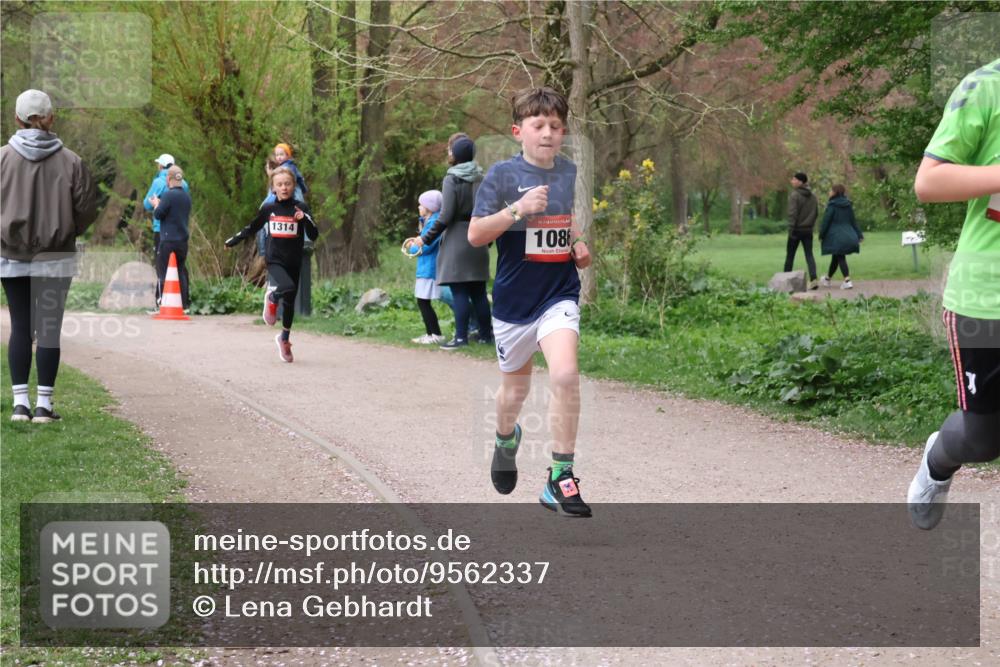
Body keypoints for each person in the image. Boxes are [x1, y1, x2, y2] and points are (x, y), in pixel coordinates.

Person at [468, 86, 593, 517]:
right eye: (538, 125)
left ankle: (560, 477)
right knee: (514, 392)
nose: (548, 133)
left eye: (556, 126)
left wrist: (576, 243)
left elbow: (565, 220)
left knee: (566, 374)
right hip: (513, 304)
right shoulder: (501, 176)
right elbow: (475, 235)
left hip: (558, 294)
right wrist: (517, 209)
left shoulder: (568, 171)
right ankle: (506, 438)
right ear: (517, 131)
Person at [907, 58, 1000, 530]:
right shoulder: (987, 87)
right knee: (983, 440)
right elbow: (929, 181)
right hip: (987, 298)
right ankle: (938, 461)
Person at [1, 89, 97, 422]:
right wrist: (68, 230)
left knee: (20, 326)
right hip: (57, 257)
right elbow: (86, 208)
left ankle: (20, 404)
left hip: (11, 255)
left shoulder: (2, 159)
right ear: (51, 118)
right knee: (49, 329)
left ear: (17, 119)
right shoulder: (71, 161)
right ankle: (44, 405)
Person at [225, 167, 318, 363]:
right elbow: (252, 227)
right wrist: (233, 240)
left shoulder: (301, 208)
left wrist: (305, 219)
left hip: (294, 259)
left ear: (293, 186)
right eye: (280, 184)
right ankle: (272, 297)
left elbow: (314, 234)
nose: (284, 188)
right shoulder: (269, 209)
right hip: (274, 258)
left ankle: (284, 338)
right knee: (287, 287)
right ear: (273, 188)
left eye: (287, 184)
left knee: (290, 301)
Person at [412, 135, 492, 349]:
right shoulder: (481, 177)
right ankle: (486, 335)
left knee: (459, 291)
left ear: (455, 154)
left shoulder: (452, 179)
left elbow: (445, 215)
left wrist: (424, 238)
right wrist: (488, 238)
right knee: (479, 292)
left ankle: (460, 338)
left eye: (450, 151)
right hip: (479, 236)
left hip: (457, 239)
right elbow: (489, 209)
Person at [143, 153, 189, 302]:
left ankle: (161, 300)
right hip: (181, 231)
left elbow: (147, 204)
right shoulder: (184, 185)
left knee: (161, 266)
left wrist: (156, 204)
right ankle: (184, 301)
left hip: (162, 231)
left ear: (161, 166)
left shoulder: (159, 182)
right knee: (180, 268)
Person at [150, 165, 193, 310]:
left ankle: (161, 303)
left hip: (168, 240)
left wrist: (156, 204)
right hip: (182, 241)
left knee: (163, 271)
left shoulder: (168, 195)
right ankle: (183, 304)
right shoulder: (186, 197)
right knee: (180, 272)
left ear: (168, 179)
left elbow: (158, 214)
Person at [406, 190, 446, 344]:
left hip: (428, 268)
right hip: (427, 267)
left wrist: (411, 247)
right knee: (423, 301)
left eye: (421, 205)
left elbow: (426, 247)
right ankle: (431, 334)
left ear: (429, 207)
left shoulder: (433, 224)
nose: (418, 207)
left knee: (423, 301)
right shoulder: (430, 222)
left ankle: (435, 334)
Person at [259, 143, 308, 256]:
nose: (279, 157)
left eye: (282, 154)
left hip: (292, 196)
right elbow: (301, 180)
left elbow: (291, 182)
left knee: (263, 215)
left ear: (288, 155)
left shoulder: (287, 167)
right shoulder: (289, 167)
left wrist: (271, 175)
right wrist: (304, 189)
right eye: (277, 155)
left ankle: (263, 250)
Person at [818, 184, 864, 290]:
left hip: (836, 236)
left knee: (840, 257)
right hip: (849, 234)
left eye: (831, 190)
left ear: (835, 192)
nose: (829, 192)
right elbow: (853, 221)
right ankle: (827, 279)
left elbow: (826, 221)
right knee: (836, 256)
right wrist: (859, 235)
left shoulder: (832, 205)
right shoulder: (848, 205)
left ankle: (847, 280)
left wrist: (821, 234)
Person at [784, 171, 819, 290]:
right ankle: (814, 279)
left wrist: (791, 229)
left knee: (790, 255)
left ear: (800, 182)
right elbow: (815, 213)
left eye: (794, 179)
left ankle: (785, 279)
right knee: (809, 254)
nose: (792, 181)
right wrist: (810, 225)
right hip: (808, 230)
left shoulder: (795, 195)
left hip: (796, 230)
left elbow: (792, 214)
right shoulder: (813, 196)